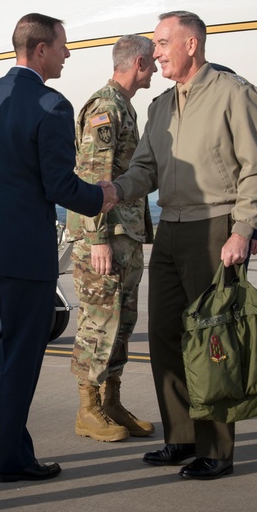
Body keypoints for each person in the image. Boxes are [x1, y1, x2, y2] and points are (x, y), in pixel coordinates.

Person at [0, 13, 117, 483]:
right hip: (24, 251)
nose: (67, 54)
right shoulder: (51, 105)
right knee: (20, 354)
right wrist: (101, 196)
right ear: (39, 50)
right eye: (62, 46)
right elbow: (57, 185)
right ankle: (11, 459)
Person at [112, 11, 257, 480]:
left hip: (215, 228)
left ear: (191, 45)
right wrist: (113, 191)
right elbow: (145, 168)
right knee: (165, 338)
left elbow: (256, 169)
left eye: (162, 43)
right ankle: (180, 437)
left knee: (213, 341)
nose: (154, 52)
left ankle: (217, 450)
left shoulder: (235, 94)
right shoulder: (160, 107)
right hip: (170, 229)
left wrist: (243, 230)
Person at [67, 34, 157, 443]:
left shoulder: (125, 107)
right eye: (152, 63)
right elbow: (92, 175)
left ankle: (111, 401)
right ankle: (88, 409)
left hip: (125, 234)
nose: (156, 69)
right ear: (138, 63)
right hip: (105, 237)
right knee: (98, 323)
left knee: (122, 323)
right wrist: (97, 238)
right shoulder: (106, 106)